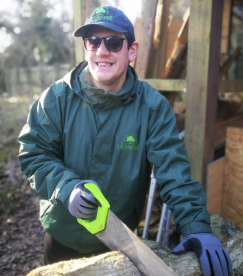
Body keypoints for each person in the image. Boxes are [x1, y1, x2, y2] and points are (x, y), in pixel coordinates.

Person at [18, 6, 232, 276]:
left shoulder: (153, 107)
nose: (102, 50)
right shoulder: (56, 99)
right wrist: (66, 186)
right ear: (85, 47)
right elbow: (33, 154)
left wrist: (197, 228)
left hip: (118, 241)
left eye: (113, 42)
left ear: (132, 51)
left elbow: (173, 172)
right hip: (63, 236)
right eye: (93, 41)